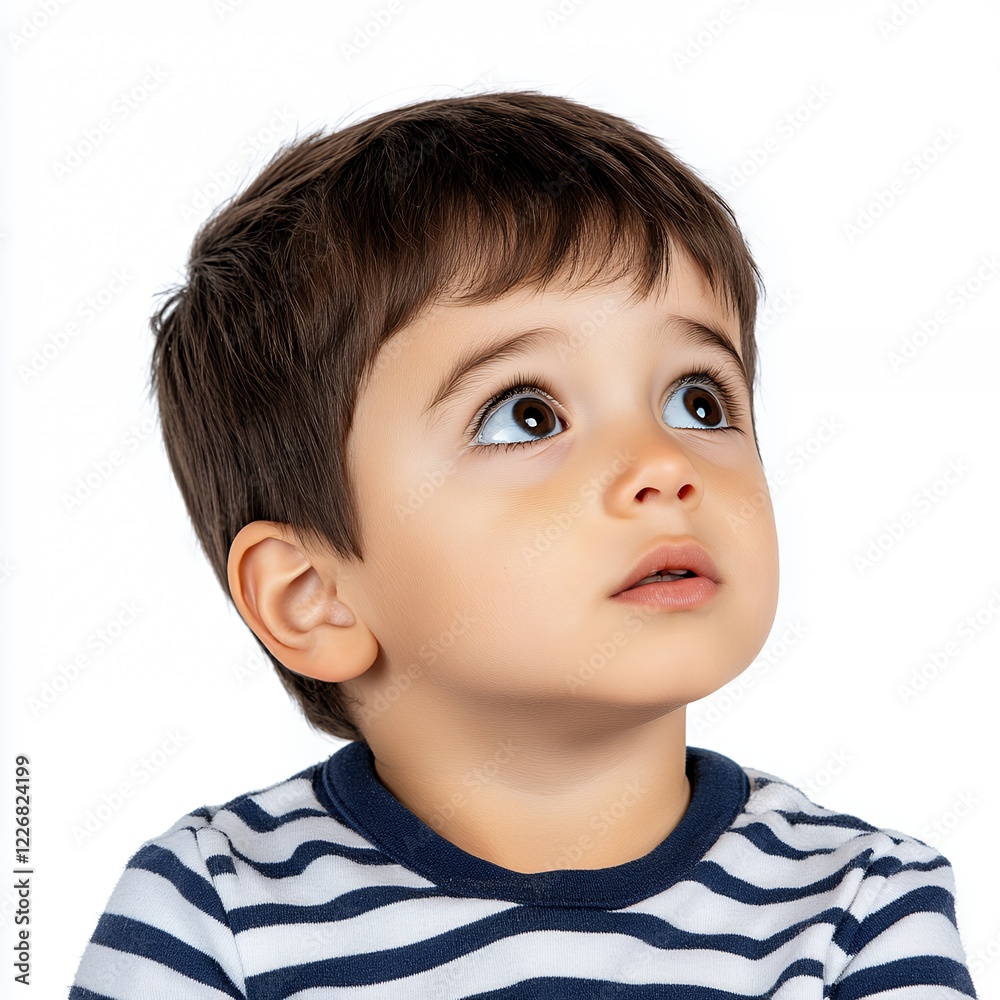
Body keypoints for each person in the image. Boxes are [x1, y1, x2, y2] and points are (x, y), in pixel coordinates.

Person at [68, 90, 978, 998]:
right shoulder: (213, 914)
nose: (664, 464)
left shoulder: (860, 908)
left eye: (698, 401)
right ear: (314, 597)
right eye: (526, 415)